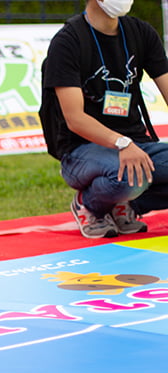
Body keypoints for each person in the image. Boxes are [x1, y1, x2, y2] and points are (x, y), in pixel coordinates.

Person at [42, 0, 168, 238]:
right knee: (129, 177)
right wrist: (122, 143)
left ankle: (128, 207)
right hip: (81, 150)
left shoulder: (141, 33)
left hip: (135, 144)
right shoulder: (68, 42)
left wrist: (130, 144)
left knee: (132, 171)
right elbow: (75, 119)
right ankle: (88, 205)